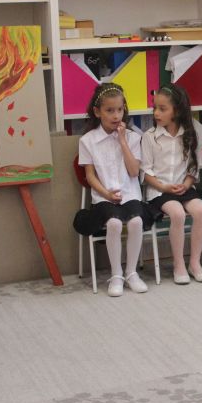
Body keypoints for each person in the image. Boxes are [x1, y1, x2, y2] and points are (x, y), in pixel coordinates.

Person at [76, 83, 149, 297]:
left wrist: (123, 141)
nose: (116, 115)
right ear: (97, 112)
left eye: (119, 109)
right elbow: (90, 176)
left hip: (130, 194)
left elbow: (134, 171)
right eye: (109, 110)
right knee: (114, 224)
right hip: (103, 197)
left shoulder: (134, 138)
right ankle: (116, 275)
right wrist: (106, 194)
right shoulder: (87, 140)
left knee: (136, 221)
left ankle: (131, 273)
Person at [141, 83, 202, 284]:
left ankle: (194, 263)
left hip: (183, 187)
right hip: (159, 191)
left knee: (200, 211)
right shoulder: (149, 137)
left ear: (177, 111)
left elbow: (193, 167)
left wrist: (187, 184)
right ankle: (178, 264)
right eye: (155, 107)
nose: (156, 113)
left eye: (162, 109)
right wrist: (163, 187)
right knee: (177, 213)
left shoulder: (189, 134)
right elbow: (145, 171)